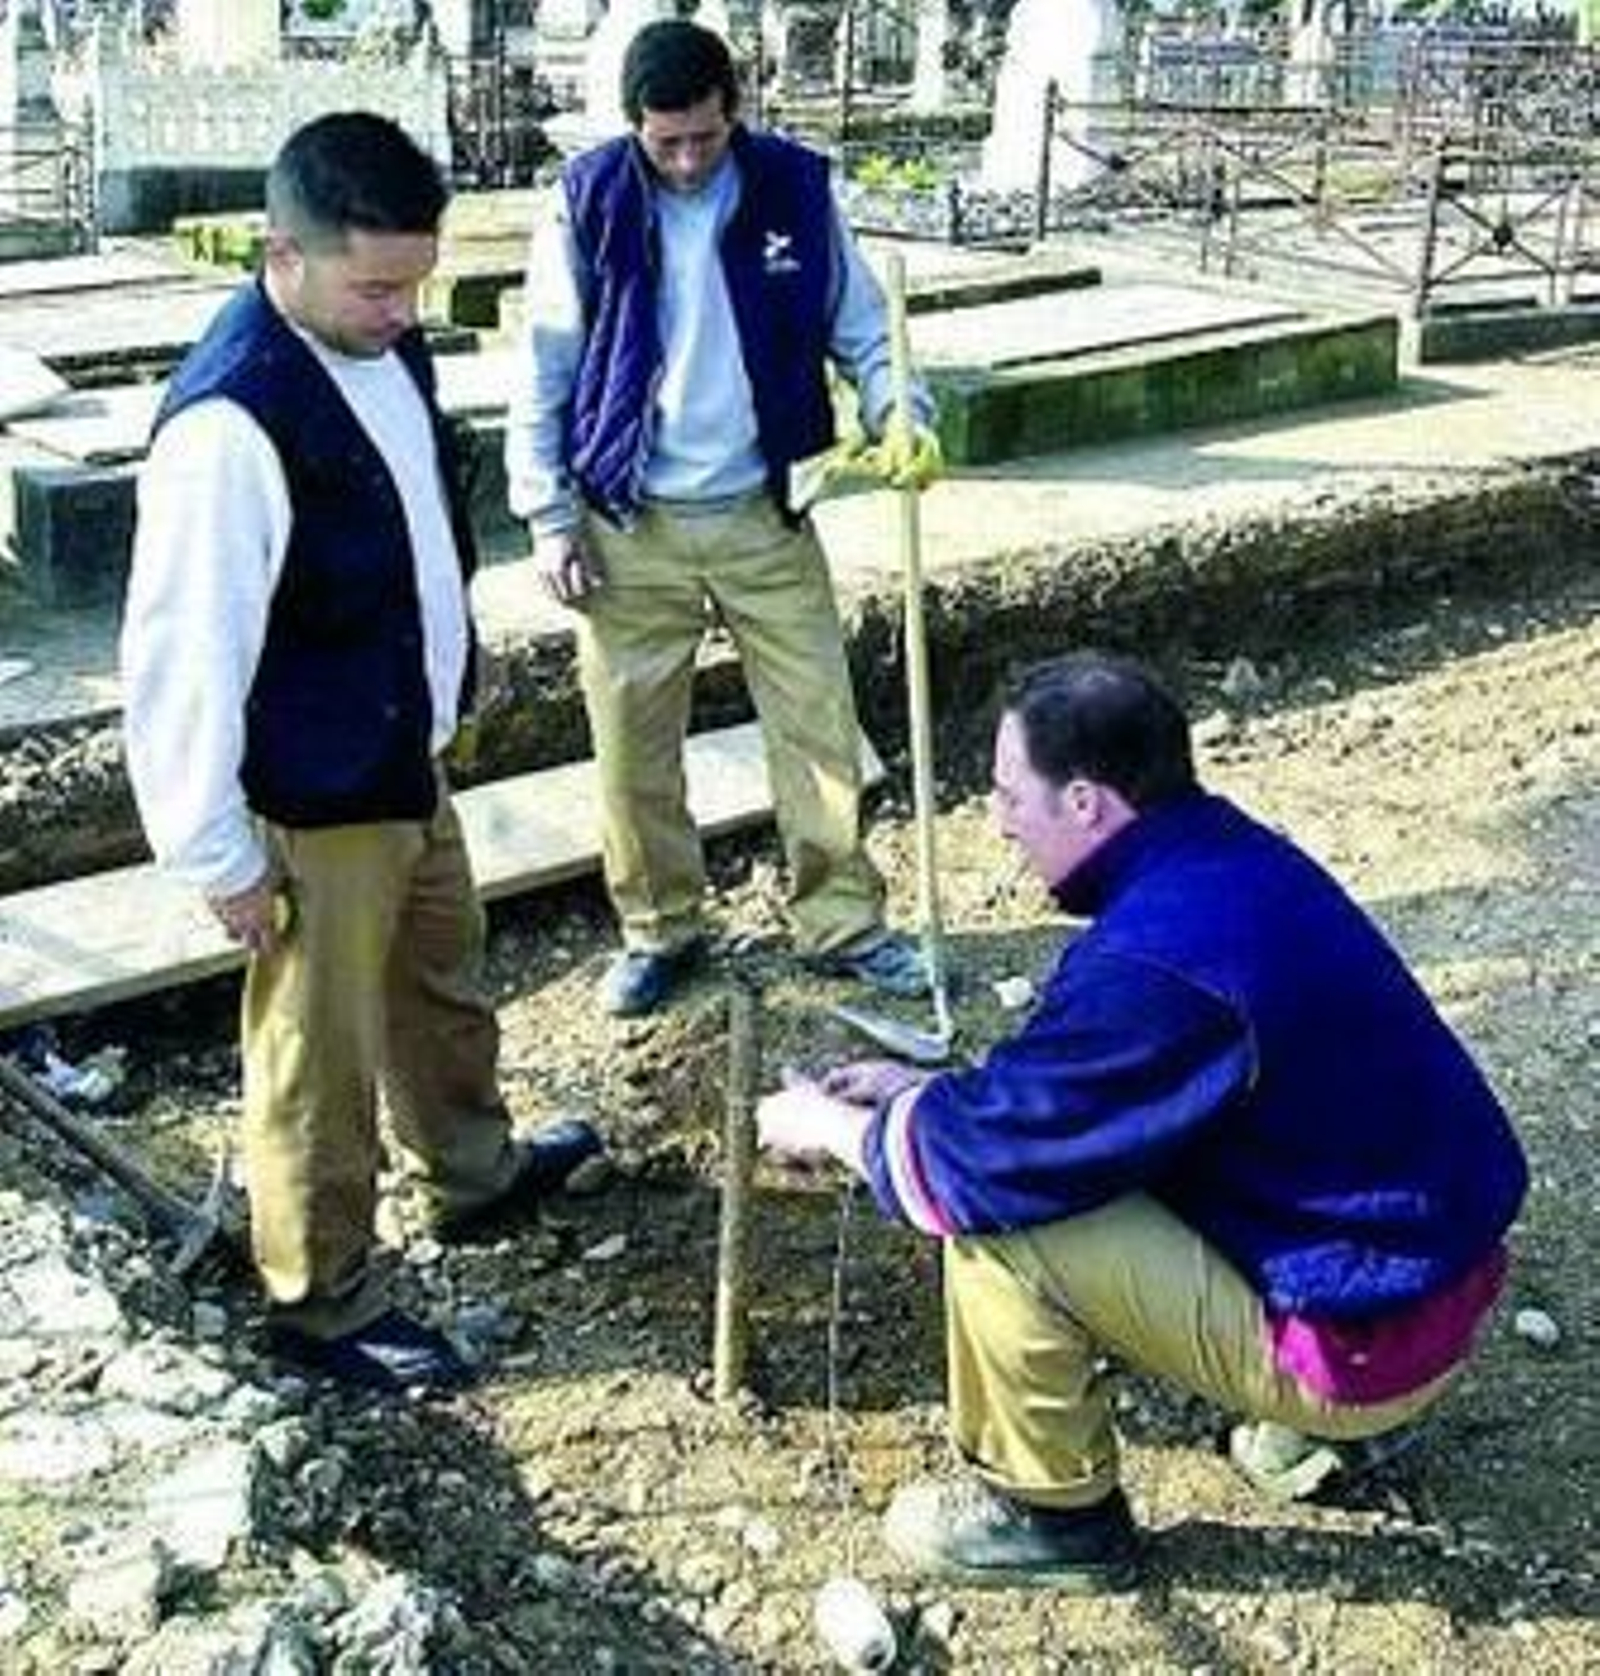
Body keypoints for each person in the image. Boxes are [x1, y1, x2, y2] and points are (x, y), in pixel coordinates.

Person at [757, 650, 1528, 1588]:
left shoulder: (1155, 965)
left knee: (1003, 1230)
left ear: (1084, 801)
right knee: (1050, 1153)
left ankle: (1051, 1517)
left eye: (1008, 794)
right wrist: (926, 1085)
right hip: (1442, 1272)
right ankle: (1325, 1428)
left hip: (1368, 1343)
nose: (997, 822)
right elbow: (1098, 1083)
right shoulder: (1223, 856)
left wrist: (831, 1128)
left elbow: (977, 1169)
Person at [120, 112, 599, 1395]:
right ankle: (320, 1296)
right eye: (377, 285)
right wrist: (216, 850)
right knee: (316, 1052)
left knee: (440, 977)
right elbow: (183, 652)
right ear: (284, 254)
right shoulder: (229, 424)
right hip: (311, 795)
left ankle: (471, 1171)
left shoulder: (380, 346)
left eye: (417, 281)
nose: (403, 308)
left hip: (401, 753)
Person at [504, 18, 944, 1019]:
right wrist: (548, 515)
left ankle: (841, 921)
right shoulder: (587, 205)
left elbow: (864, 330)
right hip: (629, 519)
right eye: (668, 143)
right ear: (632, 129)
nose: (690, 159)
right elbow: (545, 369)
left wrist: (899, 411)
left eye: (706, 135)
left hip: (763, 510)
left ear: (731, 111)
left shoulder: (793, 187)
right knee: (633, 742)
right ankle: (660, 926)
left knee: (817, 722)